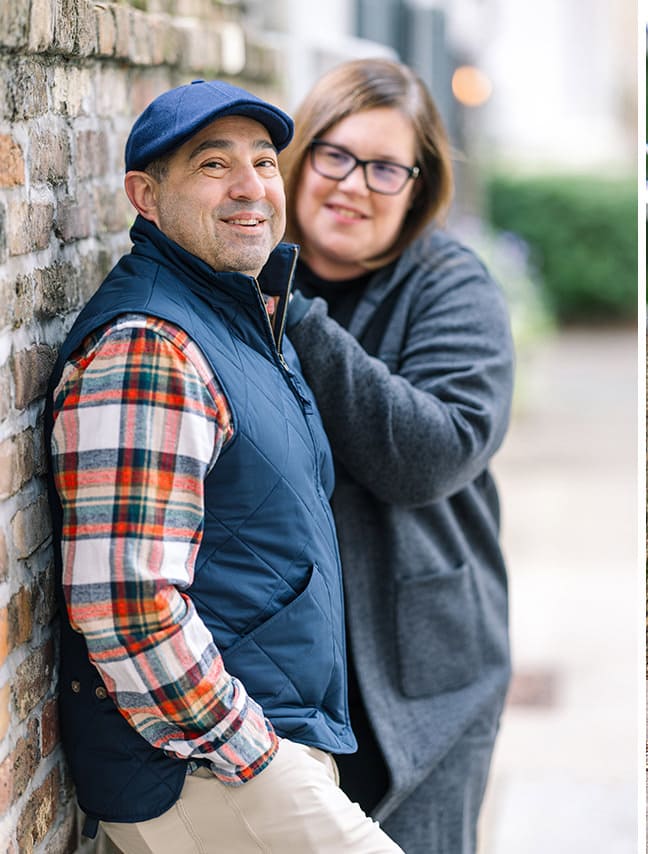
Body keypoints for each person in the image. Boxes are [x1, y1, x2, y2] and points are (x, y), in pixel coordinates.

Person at [43, 81, 401, 852]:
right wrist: (256, 757)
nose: (250, 187)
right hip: (203, 767)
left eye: (265, 162)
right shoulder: (151, 346)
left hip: (249, 749)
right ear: (146, 194)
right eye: (213, 164)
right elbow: (127, 602)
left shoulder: (237, 315)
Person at [278, 59, 514, 852]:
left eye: (384, 167)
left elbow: (433, 454)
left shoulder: (451, 285)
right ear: (300, 154)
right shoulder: (237, 274)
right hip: (276, 675)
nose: (352, 184)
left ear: (419, 184)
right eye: (334, 155)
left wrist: (293, 318)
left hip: (421, 671)